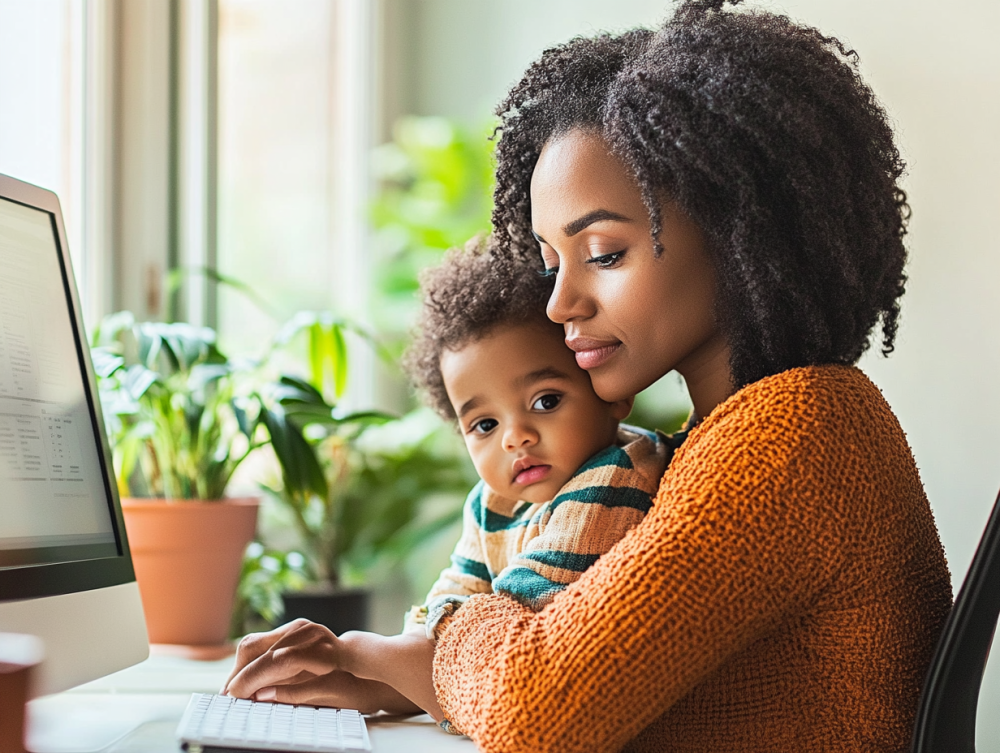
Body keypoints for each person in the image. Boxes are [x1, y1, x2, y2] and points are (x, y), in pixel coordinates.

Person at [224, 1, 954, 750]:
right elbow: (611, 673)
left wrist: (435, 638)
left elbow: (540, 707)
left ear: (739, 231)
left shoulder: (795, 435)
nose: (560, 301)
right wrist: (385, 669)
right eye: (549, 262)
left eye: (603, 252)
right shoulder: (717, 443)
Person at [399, 237, 672, 638]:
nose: (515, 438)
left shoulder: (616, 478)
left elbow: (523, 607)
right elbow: (452, 592)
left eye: (545, 401)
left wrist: (408, 651)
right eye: (485, 425)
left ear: (612, 392)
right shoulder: (494, 501)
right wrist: (406, 644)